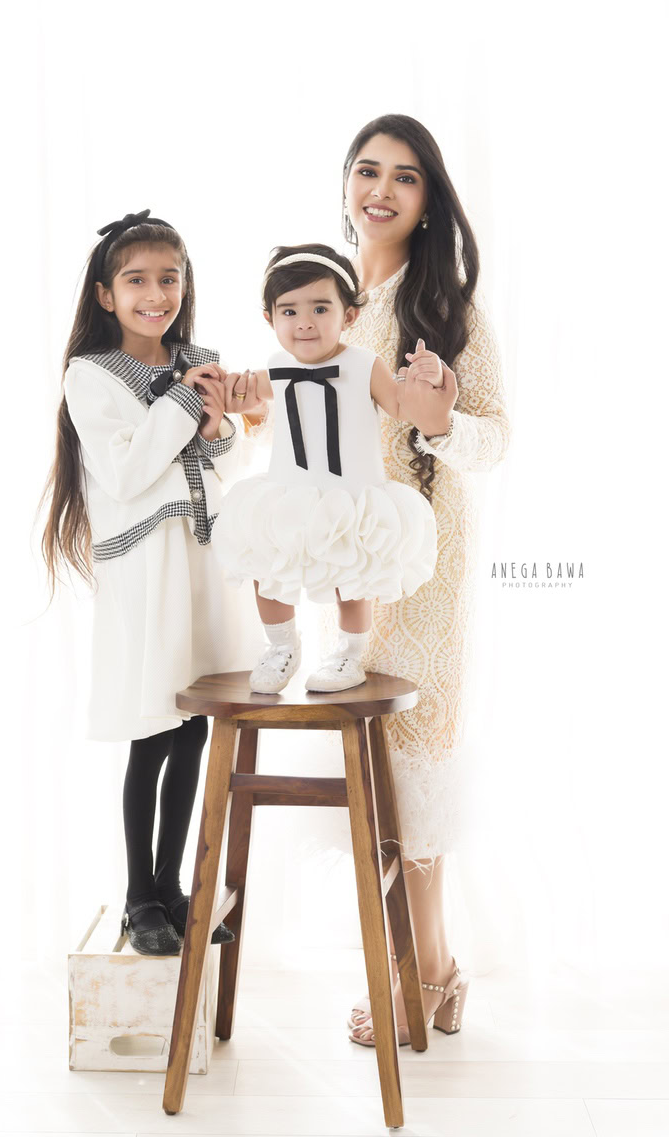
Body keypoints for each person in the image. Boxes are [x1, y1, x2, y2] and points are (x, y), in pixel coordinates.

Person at [226, 117, 511, 1046]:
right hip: (326, 546)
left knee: (412, 760)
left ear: (431, 199)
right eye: (366, 171)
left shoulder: (451, 307)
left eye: (405, 177)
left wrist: (435, 420)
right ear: (344, 182)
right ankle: (425, 969)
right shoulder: (320, 295)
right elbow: (281, 419)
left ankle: (419, 974)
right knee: (364, 760)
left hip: (418, 554)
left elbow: (494, 437)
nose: (380, 190)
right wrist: (235, 415)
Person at [39, 209, 262, 956]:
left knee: (195, 723)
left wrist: (218, 428)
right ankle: (141, 895)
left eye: (169, 277)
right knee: (152, 726)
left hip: (202, 560)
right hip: (145, 569)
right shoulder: (89, 375)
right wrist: (180, 402)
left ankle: (171, 887)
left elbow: (224, 471)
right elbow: (129, 471)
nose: (155, 293)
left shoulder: (199, 358)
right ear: (106, 295)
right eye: (136, 280)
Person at [212, 243, 439, 693]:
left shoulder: (364, 365)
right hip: (289, 494)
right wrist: (222, 388)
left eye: (320, 307)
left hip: (352, 495)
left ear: (349, 315)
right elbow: (244, 400)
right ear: (270, 319)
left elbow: (400, 405)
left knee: (352, 581)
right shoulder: (275, 368)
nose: (305, 323)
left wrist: (422, 380)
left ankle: (348, 657)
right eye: (289, 311)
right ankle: (281, 647)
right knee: (269, 572)